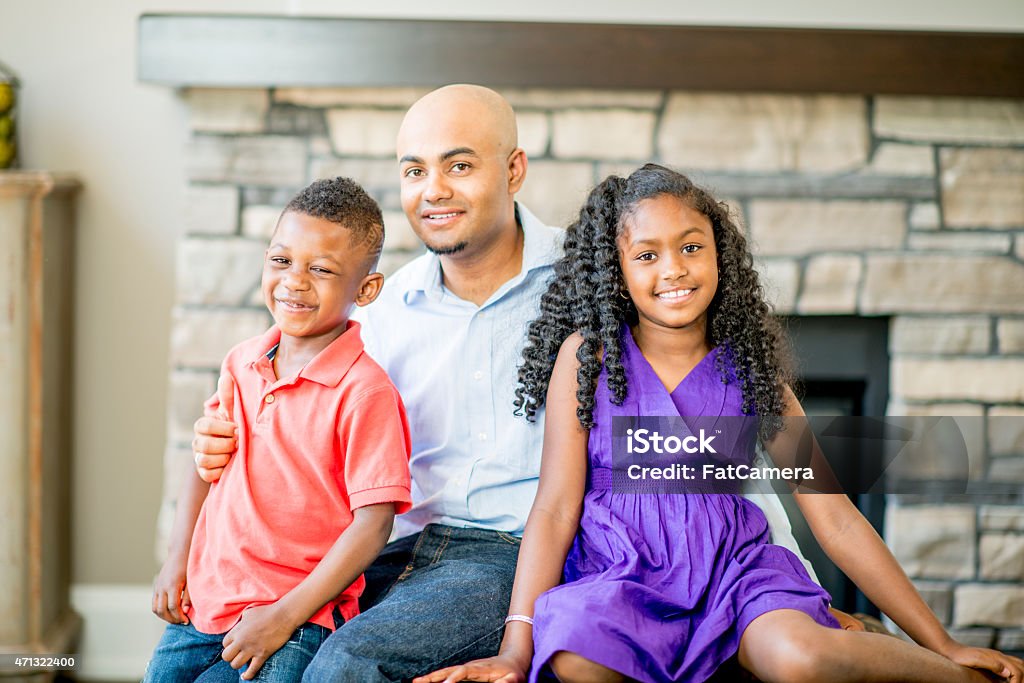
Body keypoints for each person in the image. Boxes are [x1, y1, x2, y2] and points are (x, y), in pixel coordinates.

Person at [191, 86, 858, 682]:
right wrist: (224, 438)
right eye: (414, 170)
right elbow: (306, 423)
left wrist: (797, 586)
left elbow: (704, 435)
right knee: (286, 651)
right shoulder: (383, 309)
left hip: (509, 556)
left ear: (513, 170)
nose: (434, 189)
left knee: (345, 664)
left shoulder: (598, 287)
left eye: (458, 164)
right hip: (397, 549)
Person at [415, 164, 1024, 683]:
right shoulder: (590, 356)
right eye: (647, 255)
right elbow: (553, 507)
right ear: (616, 272)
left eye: (691, 246)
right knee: (573, 659)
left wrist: (943, 643)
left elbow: (834, 515)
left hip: (736, 573)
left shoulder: (751, 369)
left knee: (800, 659)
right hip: (623, 571)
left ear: (719, 252)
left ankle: (950, 675)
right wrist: (516, 648)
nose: (673, 269)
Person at [146, 177, 412, 682]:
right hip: (202, 605)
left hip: (293, 621)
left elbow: (373, 524)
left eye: (322, 269)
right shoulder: (241, 361)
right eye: (281, 261)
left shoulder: (365, 392)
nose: (294, 281)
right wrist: (176, 559)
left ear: (367, 288)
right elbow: (205, 466)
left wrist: (284, 615)